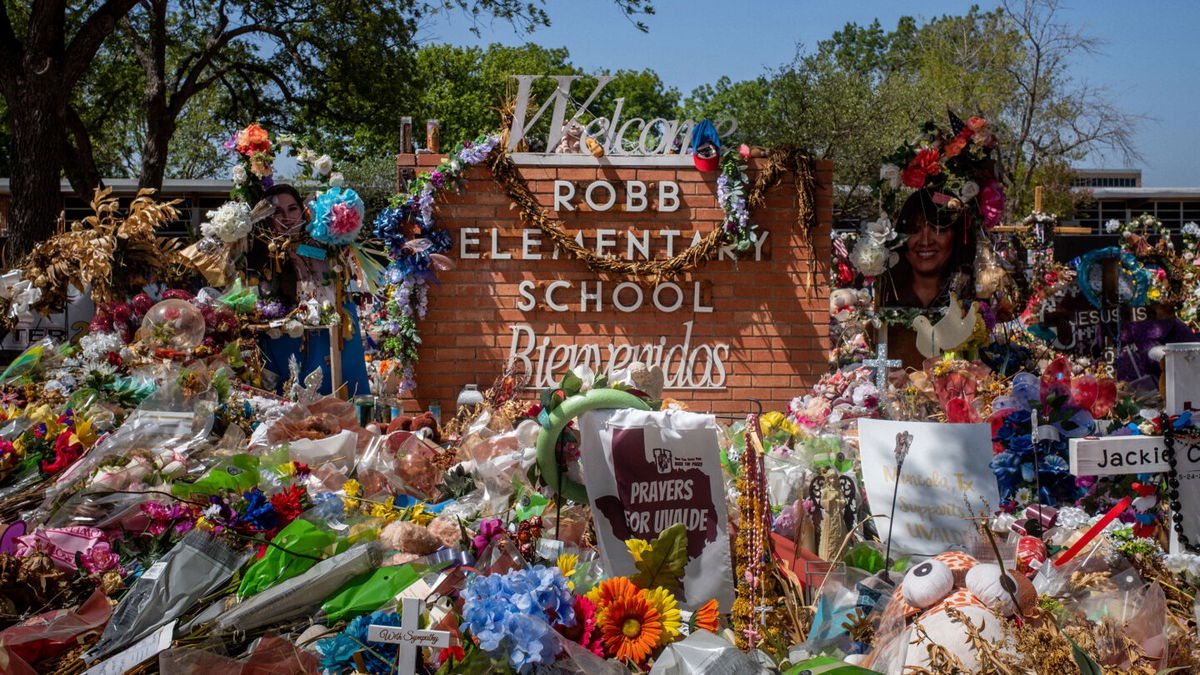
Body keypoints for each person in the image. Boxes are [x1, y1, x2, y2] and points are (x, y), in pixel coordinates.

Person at [249, 184, 370, 397]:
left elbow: (333, 268)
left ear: (303, 212)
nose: (286, 217)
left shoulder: (324, 245)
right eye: (278, 212)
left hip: (331, 338)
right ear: (268, 217)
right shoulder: (261, 255)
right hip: (286, 342)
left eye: (292, 209)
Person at [881, 189, 976, 369]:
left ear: (956, 235)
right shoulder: (889, 300)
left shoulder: (967, 302)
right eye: (914, 230)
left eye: (938, 228)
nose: (925, 241)